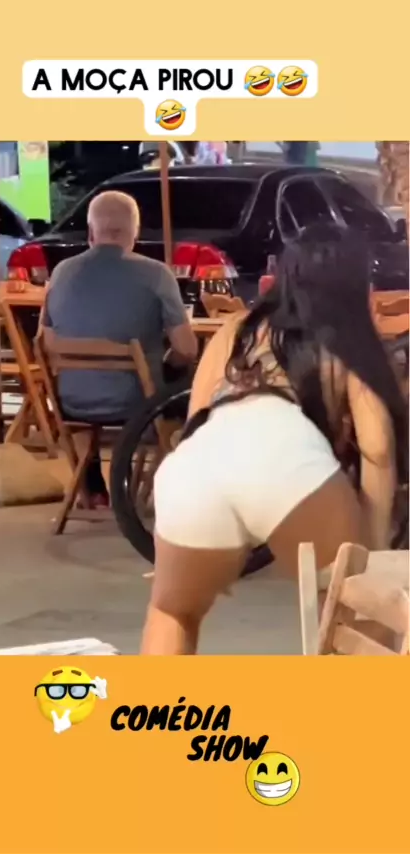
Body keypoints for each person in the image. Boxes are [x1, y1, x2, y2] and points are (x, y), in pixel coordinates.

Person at [140, 224, 408, 654]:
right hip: (285, 454)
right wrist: (372, 555)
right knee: (352, 605)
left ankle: (156, 698)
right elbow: (376, 448)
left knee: (173, 613)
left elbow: (197, 417)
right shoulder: (345, 337)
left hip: (198, 463)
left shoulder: (236, 328)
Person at [42, 190, 197, 506]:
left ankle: (92, 482)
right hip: (137, 402)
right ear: (135, 233)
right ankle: (172, 487)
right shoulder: (156, 274)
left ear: (90, 232)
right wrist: (165, 364)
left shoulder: (61, 273)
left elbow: (45, 341)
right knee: (190, 382)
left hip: (71, 400)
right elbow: (187, 349)